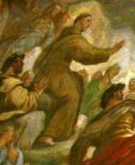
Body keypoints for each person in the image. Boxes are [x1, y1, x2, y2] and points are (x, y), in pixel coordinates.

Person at [32, 13, 126, 147]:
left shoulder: (65, 35)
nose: (88, 25)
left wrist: (38, 71)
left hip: (48, 70)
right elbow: (90, 54)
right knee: (72, 96)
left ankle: (61, 129)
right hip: (55, 72)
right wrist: (112, 50)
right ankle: (49, 134)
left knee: (77, 81)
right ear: (79, 21)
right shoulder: (74, 39)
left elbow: (44, 55)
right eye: (87, 21)